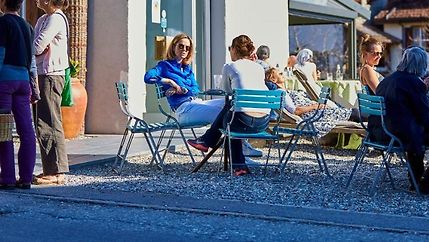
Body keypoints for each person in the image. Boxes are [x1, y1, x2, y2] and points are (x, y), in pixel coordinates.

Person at [187, 35, 270, 176]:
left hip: (242, 120)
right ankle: (237, 165)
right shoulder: (259, 68)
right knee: (232, 112)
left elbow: (225, 91)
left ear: (235, 49)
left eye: (230, 48)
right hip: (263, 122)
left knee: (231, 115)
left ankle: (208, 141)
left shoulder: (230, 66)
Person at [375, 46, 429, 195]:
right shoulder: (413, 83)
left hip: (383, 131)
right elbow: (424, 118)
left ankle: (421, 179)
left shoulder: (388, 80)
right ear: (421, 65)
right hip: (404, 134)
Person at [33, 0, 71, 185]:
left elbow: (37, 46)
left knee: (50, 121)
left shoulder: (55, 19)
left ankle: (56, 172)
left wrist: (35, 47)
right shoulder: (45, 19)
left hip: (50, 74)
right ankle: (50, 169)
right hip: (43, 73)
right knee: (42, 122)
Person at [0, 0, 36, 189]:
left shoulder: (2, 23)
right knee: (26, 130)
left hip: (4, 81)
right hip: (23, 82)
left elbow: (1, 54)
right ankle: (26, 177)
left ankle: (7, 178)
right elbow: (31, 61)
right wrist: (34, 86)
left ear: (3, 0)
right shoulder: (27, 26)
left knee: (4, 129)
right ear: (21, 2)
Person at [144, 33, 224, 126]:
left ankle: (219, 139)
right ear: (174, 47)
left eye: (187, 48)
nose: (184, 50)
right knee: (220, 113)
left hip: (196, 102)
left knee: (229, 103)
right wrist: (170, 82)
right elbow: (148, 77)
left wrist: (182, 89)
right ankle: (213, 139)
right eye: (181, 46)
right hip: (183, 110)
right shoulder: (164, 66)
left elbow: (195, 90)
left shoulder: (187, 68)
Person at [265, 67, 357, 137]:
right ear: (273, 79)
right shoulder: (281, 93)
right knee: (355, 113)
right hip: (313, 115)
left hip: (317, 113)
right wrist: (315, 106)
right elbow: (295, 111)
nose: (283, 75)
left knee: (355, 113)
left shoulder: (283, 92)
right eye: (280, 74)